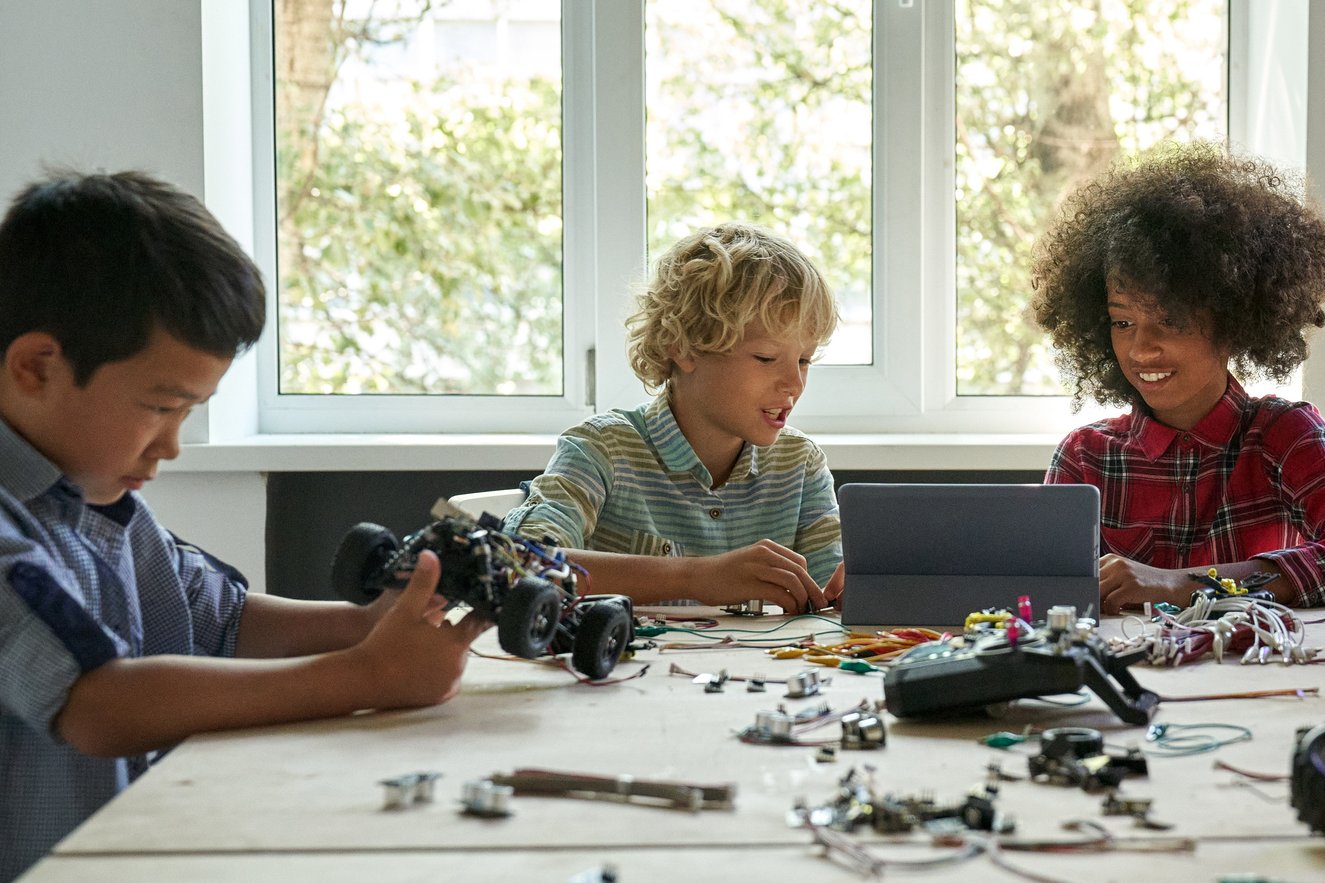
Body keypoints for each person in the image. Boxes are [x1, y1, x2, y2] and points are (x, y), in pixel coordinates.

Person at [0, 171, 486, 880]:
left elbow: (224, 622)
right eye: (162, 406)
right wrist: (366, 674)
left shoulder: (99, 502)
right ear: (38, 367)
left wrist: (378, 622)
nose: (171, 444)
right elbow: (95, 701)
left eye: (189, 412)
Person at [1034, 141, 1325, 612]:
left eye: (1171, 319)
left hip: (1260, 677)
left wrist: (1187, 584)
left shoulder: (1284, 436)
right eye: (1122, 322)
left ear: (1233, 321)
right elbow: (1044, 593)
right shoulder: (1087, 458)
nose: (1142, 347)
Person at [505, 222, 841, 612]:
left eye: (804, 360)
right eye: (766, 358)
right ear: (682, 347)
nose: (794, 383)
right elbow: (520, 565)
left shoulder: (799, 463)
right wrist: (695, 576)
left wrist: (854, 591)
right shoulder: (602, 450)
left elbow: (827, 605)